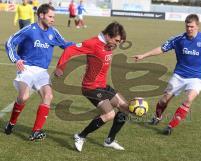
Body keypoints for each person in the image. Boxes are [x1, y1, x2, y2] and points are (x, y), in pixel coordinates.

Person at [132, 14, 201, 135]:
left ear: (197, 26)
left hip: (196, 78)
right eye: (187, 26)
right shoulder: (179, 39)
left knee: (188, 100)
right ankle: (157, 117)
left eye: (191, 26)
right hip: (179, 76)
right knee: (164, 100)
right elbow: (161, 48)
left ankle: (170, 126)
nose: (189, 29)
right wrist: (143, 55)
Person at [55, 22, 129, 151]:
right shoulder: (92, 43)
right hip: (91, 88)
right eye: (116, 40)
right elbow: (69, 50)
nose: (117, 44)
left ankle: (109, 140)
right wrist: (60, 67)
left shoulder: (107, 44)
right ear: (107, 35)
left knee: (125, 109)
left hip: (103, 86)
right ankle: (80, 136)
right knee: (109, 114)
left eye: (120, 41)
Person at [4, 3, 73, 141]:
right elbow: (10, 42)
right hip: (27, 69)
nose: (53, 19)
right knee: (23, 97)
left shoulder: (53, 32)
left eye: (54, 17)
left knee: (48, 96)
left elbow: (66, 45)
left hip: (42, 72)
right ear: (41, 15)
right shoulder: (29, 29)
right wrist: (16, 59)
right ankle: (11, 123)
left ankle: (35, 131)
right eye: (50, 16)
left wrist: (83, 46)